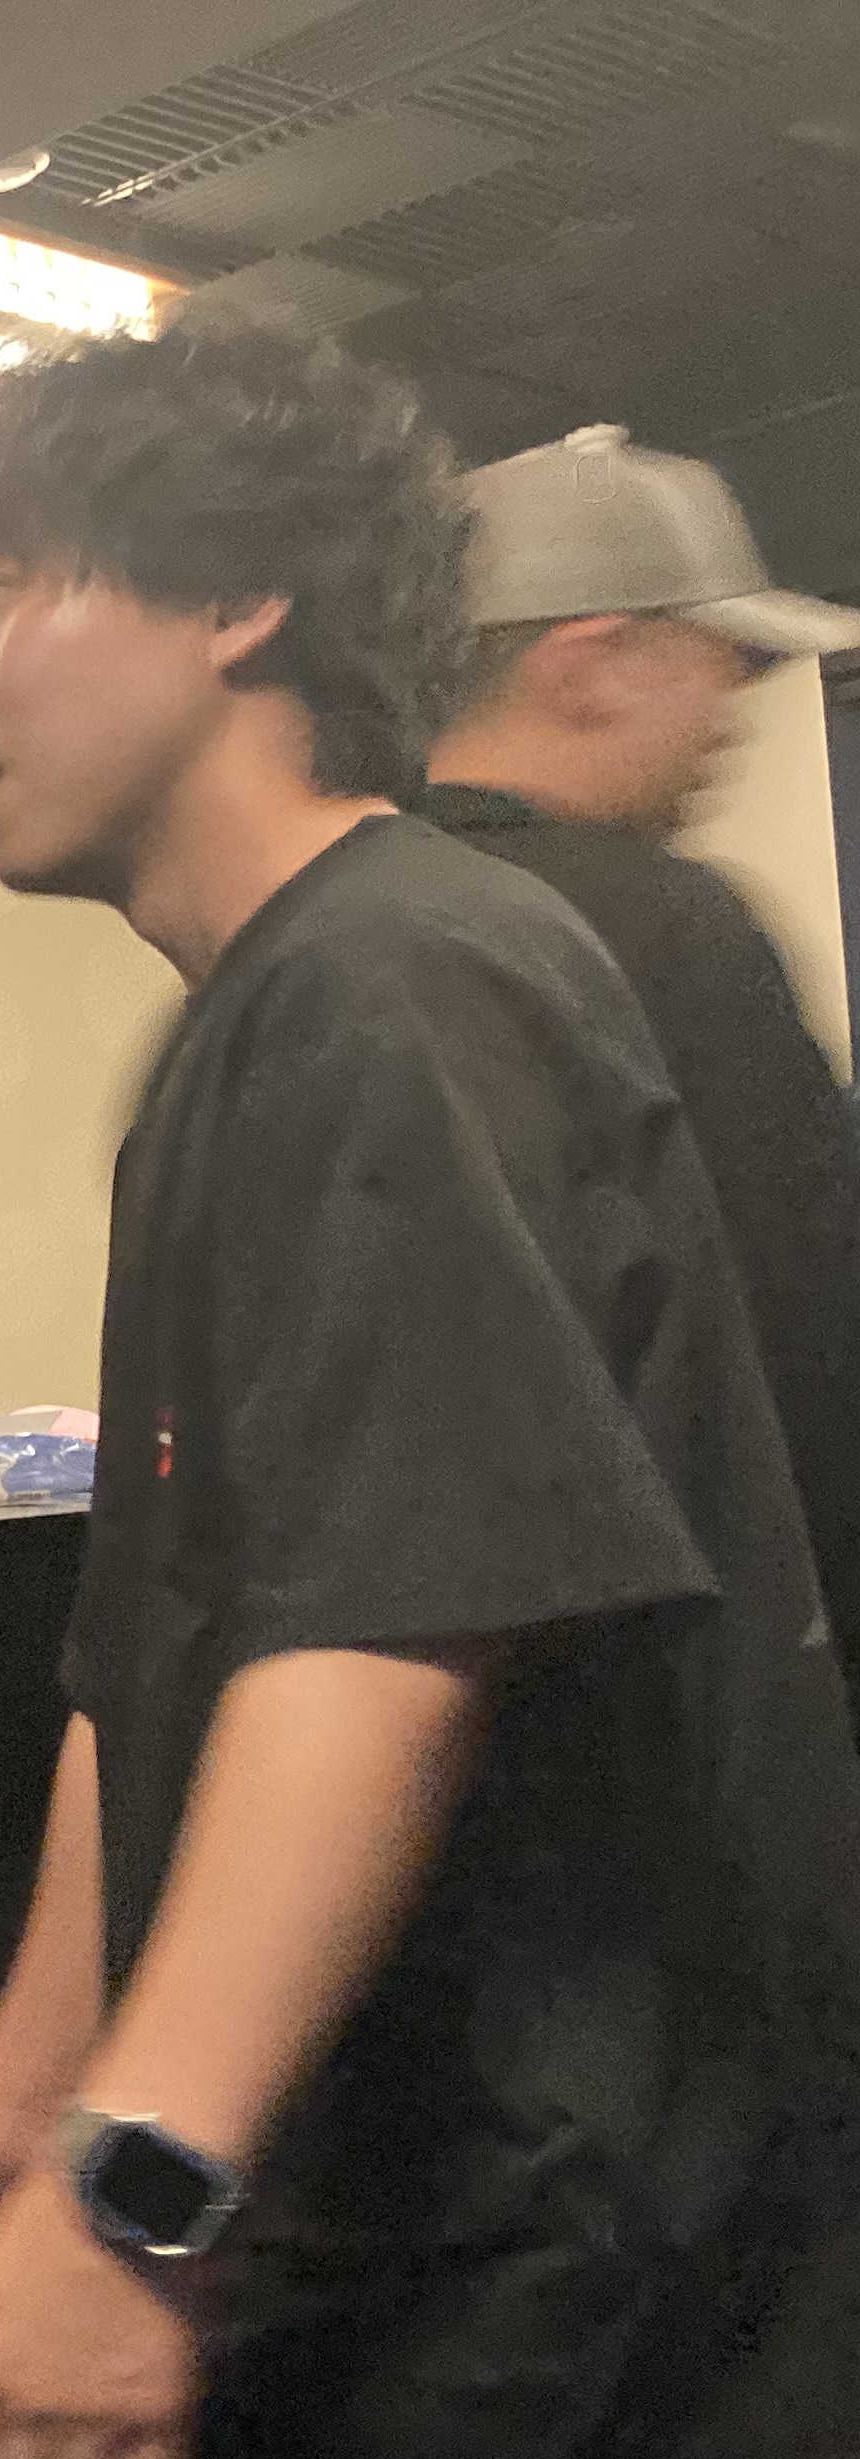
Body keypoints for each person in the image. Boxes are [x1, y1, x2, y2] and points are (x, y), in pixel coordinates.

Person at [0, 318, 860, 2459]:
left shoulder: (415, 978)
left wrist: (129, 2195)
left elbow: (396, 1630)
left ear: (239, 601)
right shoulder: (250, 1029)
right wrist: (19, 2103)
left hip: (519, 2243)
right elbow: (157, 1657)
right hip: (360, 2211)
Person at [417, 423, 860, 1714]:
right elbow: (808, 1356)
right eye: (724, 659)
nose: (735, 712)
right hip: (686, 1732)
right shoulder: (667, 937)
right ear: (593, 661)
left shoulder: (307, 942)